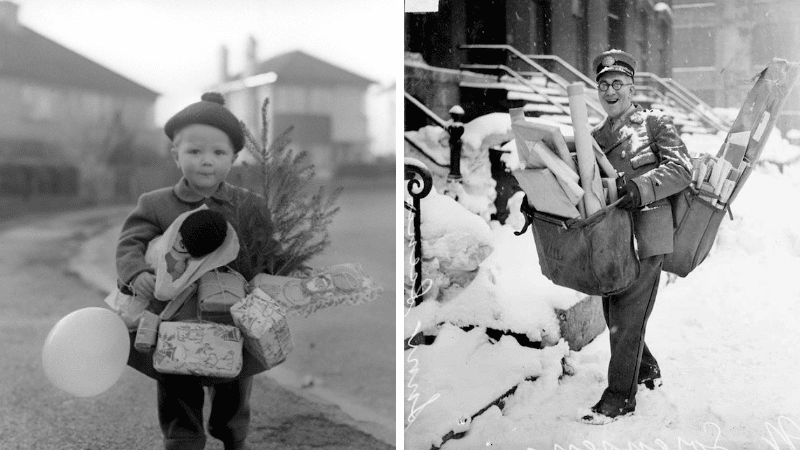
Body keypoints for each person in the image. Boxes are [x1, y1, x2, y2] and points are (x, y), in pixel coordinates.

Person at [116, 92, 261, 450]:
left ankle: (232, 435)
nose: (206, 162)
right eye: (194, 152)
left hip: (229, 313)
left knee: (235, 377)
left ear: (234, 157)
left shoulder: (248, 205)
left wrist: (267, 279)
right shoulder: (155, 204)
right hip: (173, 316)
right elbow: (130, 243)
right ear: (176, 155)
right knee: (175, 378)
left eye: (218, 153)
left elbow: (266, 252)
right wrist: (136, 274)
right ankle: (183, 439)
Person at [581, 50, 693, 424]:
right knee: (614, 312)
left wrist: (641, 188)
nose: (610, 91)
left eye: (617, 84)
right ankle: (646, 370)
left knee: (627, 317)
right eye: (603, 85)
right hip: (612, 241)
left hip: (648, 235)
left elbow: (682, 169)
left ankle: (619, 398)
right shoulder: (594, 138)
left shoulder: (654, 123)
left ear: (631, 87)